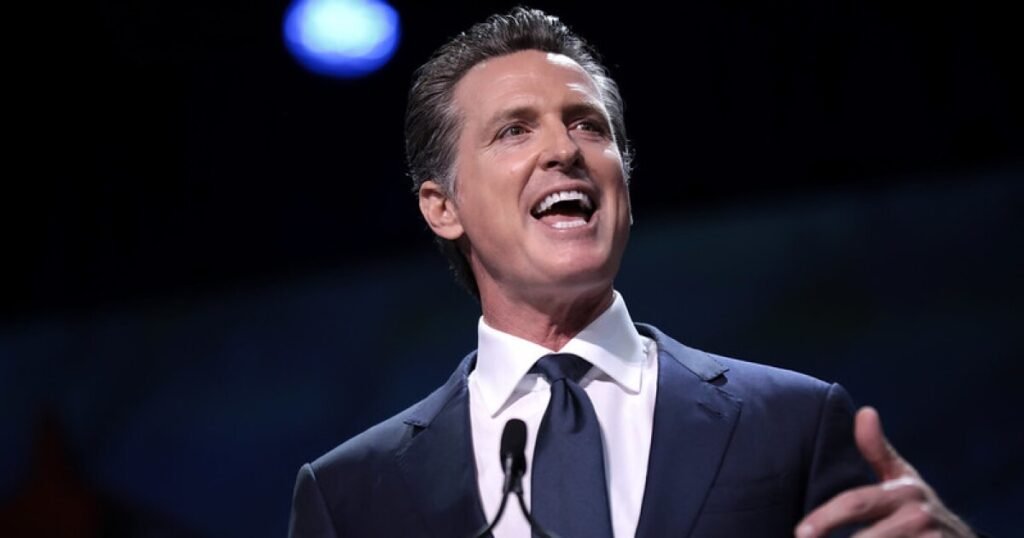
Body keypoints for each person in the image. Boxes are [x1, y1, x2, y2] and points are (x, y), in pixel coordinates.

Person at [288, 7, 977, 538]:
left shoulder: (793, 422)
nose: (564, 149)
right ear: (443, 208)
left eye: (588, 125)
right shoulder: (352, 494)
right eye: (514, 130)